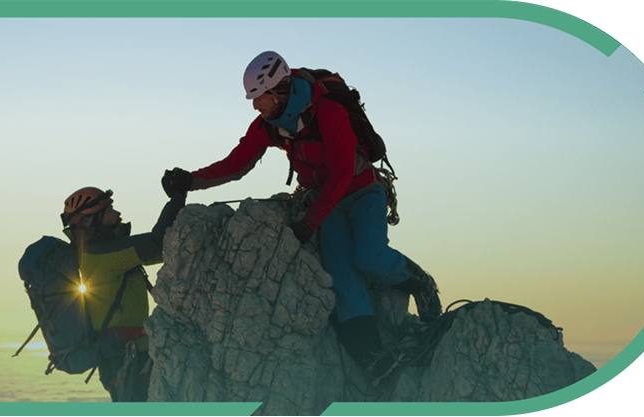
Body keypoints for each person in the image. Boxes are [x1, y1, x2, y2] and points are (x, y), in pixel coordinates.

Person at [162, 51, 442, 385]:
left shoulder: (330, 113)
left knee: (370, 257)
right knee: (341, 273)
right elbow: (237, 163)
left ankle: (420, 283)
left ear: (279, 91)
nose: (255, 106)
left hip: (363, 190)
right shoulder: (270, 126)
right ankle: (373, 358)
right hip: (327, 201)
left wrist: (308, 224)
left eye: (260, 98)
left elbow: (342, 174)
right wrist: (190, 180)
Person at [59, 181, 187, 401]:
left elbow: (161, 251)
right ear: (91, 220)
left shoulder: (106, 254)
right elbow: (157, 244)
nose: (117, 214)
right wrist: (178, 195)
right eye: (109, 210)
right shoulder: (102, 256)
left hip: (129, 359)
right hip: (128, 362)